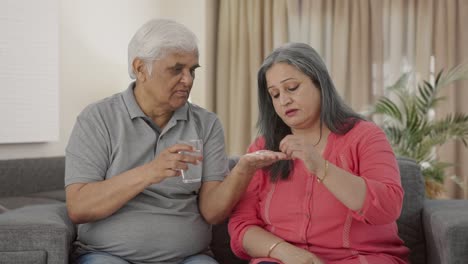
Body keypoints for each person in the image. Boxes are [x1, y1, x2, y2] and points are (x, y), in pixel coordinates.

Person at [65, 19, 287, 264]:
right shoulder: (97, 119)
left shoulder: (207, 124)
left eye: (192, 70)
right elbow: (79, 207)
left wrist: (242, 170)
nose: (188, 80)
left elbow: (213, 213)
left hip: (189, 258)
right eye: (176, 69)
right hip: (107, 256)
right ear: (140, 69)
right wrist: (151, 171)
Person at [228, 43, 410, 264]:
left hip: (361, 258)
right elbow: (242, 225)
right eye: (275, 95)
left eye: (292, 87)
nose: (284, 100)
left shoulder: (365, 136)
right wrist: (284, 251)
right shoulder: (262, 149)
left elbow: (388, 207)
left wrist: (321, 167)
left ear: (320, 83)